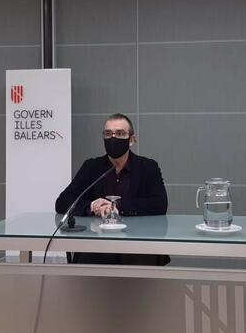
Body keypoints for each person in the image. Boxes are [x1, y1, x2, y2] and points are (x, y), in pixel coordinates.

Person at [55, 113, 169, 266]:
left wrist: (117, 206)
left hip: (137, 244)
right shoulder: (91, 166)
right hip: (97, 245)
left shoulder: (148, 167)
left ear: (131, 140)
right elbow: (62, 202)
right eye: (108, 134)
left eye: (120, 134)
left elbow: (160, 204)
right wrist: (92, 206)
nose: (113, 138)